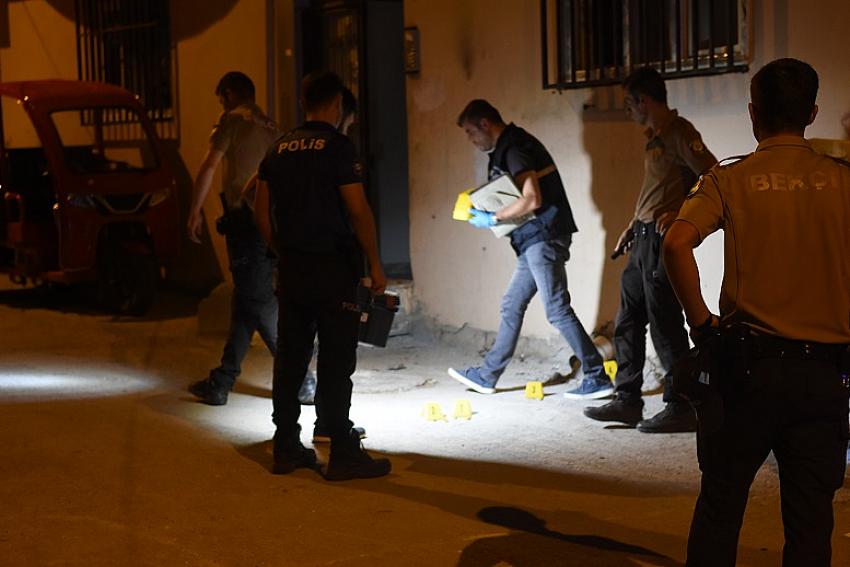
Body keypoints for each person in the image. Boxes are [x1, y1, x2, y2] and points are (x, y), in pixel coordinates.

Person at [663, 58, 850, 567]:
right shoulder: (842, 181)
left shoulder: (730, 178)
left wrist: (702, 324)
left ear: (753, 113)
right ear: (811, 113)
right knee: (811, 523)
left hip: (747, 372)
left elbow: (676, 244)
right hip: (824, 375)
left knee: (721, 507)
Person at [253, 71, 390, 480]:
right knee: (336, 357)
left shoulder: (277, 149)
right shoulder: (337, 148)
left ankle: (285, 446)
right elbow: (358, 210)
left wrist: (282, 251)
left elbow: (261, 213)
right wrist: (375, 263)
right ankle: (342, 450)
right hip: (333, 268)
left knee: (290, 358)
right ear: (337, 104)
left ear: (303, 102)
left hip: (293, 269)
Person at [583, 67, 717, 432]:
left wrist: (681, 214)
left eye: (629, 103)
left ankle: (682, 405)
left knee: (665, 323)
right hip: (642, 237)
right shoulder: (654, 137)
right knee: (628, 319)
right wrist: (633, 224)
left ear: (644, 100)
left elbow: (712, 175)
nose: (628, 110)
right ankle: (627, 399)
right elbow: (657, 189)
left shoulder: (679, 132)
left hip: (660, 242)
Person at [447, 99, 609, 398]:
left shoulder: (514, 148)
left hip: (543, 237)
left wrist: (493, 217)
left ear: (485, 124)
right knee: (512, 304)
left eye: (470, 132)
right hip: (532, 239)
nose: (470, 140)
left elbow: (532, 198)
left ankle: (597, 376)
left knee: (556, 309)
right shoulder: (507, 148)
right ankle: (487, 376)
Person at [186, 71, 286, 406]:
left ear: (229, 94)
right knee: (245, 301)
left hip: (245, 223)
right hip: (269, 222)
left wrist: (194, 211)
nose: (221, 105)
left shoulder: (232, 122)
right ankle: (222, 381)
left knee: (259, 301)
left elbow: (209, 167)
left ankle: (303, 378)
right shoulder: (271, 126)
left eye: (221, 98)